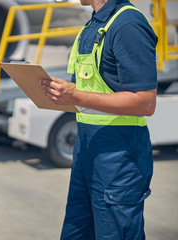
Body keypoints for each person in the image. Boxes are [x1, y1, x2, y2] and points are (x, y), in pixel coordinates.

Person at [39, 0, 158, 239]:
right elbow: (94, 88)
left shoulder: (128, 24)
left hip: (119, 155)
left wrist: (75, 95)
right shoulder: (93, 24)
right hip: (86, 149)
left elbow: (145, 102)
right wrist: (63, 91)